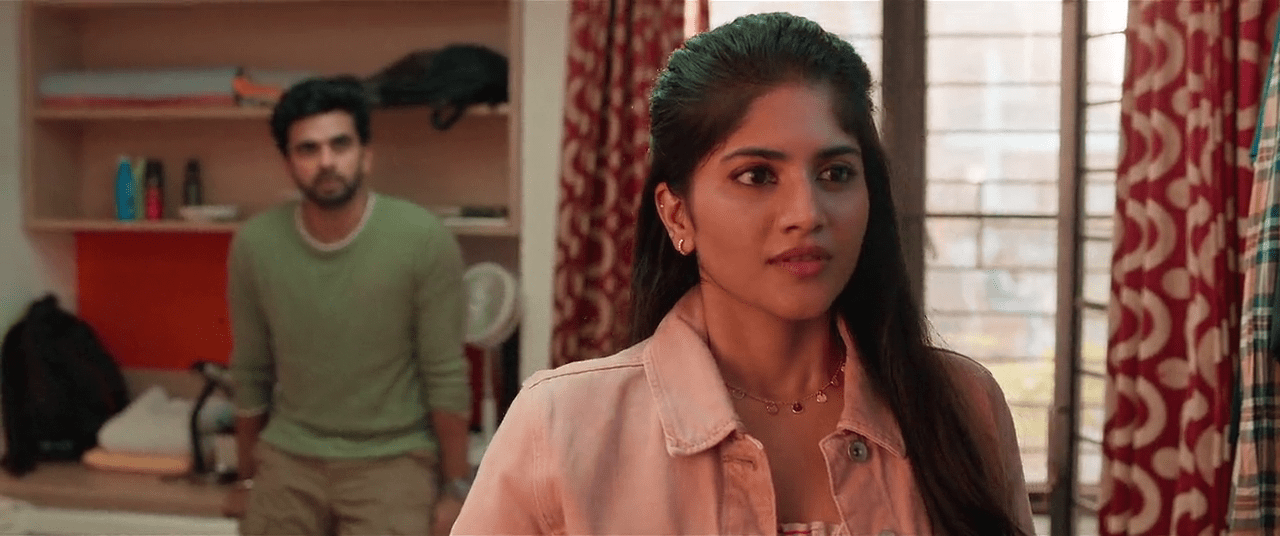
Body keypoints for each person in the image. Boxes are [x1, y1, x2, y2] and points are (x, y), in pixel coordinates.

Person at [453, 12, 1035, 536]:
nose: (807, 213)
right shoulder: (561, 425)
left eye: (835, 173)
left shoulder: (963, 404)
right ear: (677, 214)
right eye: (757, 176)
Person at [222, 75, 473, 536]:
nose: (326, 161)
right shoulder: (255, 245)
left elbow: (446, 374)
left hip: (393, 457)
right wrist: (246, 478)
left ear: (366, 154)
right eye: (308, 149)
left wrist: (456, 490)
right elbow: (251, 372)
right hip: (289, 456)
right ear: (288, 164)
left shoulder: (423, 240)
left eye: (340, 144)